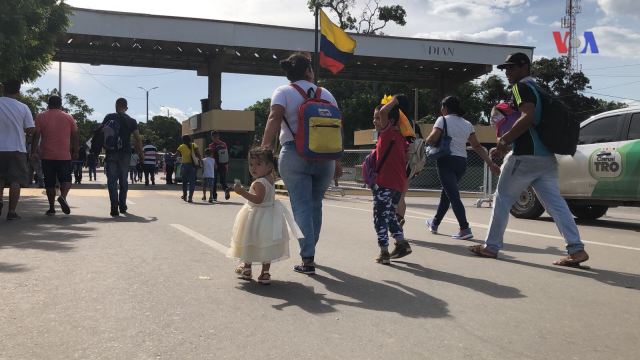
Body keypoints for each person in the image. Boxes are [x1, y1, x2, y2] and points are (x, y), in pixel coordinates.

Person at [468, 52, 590, 267]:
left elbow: (528, 117)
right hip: (547, 158)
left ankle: (491, 247)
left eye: (512, 68)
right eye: (505, 69)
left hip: (525, 156)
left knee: (502, 199)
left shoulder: (521, 88)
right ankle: (576, 249)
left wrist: (504, 140)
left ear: (525, 67)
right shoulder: (540, 89)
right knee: (556, 205)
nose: (507, 72)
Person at [261, 53, 342, 275]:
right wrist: (337, 160)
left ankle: (308, 258)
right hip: (325, 157)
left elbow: (274, 118)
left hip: (294, 154)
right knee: (316, 204)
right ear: (308, 71)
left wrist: (264, 150)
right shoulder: (326, 93)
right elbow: (336, 127)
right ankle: (310, 252)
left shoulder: (283, 92)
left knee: (301, 206)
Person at [424, 96, 500, 240]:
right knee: (447, 194)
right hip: (462, 162)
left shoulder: (442, 120)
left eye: (442, 107)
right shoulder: (467, 124)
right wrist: (490, 163)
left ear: (445, 108)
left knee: (453, 195)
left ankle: (464, 228)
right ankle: (434, 223)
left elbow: (432, 138)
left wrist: (424, 145)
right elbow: (477, 146)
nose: (441, 110)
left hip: (446, 161)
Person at [227, 147, 298, 285]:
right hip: (269, 216)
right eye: (251, 164)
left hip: (256, 216)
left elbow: (258, 199)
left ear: (269, 166)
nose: (253, 168)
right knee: (266, 244)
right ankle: (264, 273)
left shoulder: (259, 182)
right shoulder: (270, 178)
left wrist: (242, 192)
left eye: (258, 164)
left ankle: (247, 268)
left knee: (250, 240)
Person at [370, 95, 413, 264]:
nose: (375, 120)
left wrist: (394, 101)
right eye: (374, 117)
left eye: (377, 118)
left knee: (379, 217)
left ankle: (384, 252)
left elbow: (383, 111)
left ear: (391, 120)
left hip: (385, 184)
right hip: (397, 185)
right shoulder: (403, 138)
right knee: (390, 216)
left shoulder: (388, 132)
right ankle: (401, 243)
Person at [32, 95, 79, 216]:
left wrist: (33, 152)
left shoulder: (41, 116)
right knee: (67, 180)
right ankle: (63, 197)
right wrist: (75, 151)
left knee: (50, 183)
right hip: (64, 155)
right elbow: (75, 135)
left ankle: (51, 208)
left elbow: (36, 135)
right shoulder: (69, 117)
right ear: (60, 105)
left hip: (47, 155)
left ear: (48, 104)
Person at [0, 80, 35, 220]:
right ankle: (12, 212)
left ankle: (0, 201)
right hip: (16, 148)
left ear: (3, 89)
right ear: (18, 92)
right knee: (15, 181)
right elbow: (30, 129)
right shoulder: (23, 107)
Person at [103, 98, 143, 217]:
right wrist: (141, 153)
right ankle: (123, 205)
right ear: (126, 108)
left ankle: (114, 207)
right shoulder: (131, 121)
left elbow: (101, 132)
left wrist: (104, 147)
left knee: (112, 180)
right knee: (123, 180)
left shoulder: (109, 117)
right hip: (125, 153)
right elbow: (137, 138)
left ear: (116, 106)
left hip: (111, 152)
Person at [176, 135, 201, 203]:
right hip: (193, 165)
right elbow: (198, 154)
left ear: (183, 140)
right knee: (192, 182)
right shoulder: (194, 145)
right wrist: (200, 162)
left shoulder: (181, 146)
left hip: (185, 165)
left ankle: (184, 195)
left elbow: (176, 155)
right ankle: (190, 198)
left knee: (184, 182)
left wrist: (171, 155)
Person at [208, 130, 230, 201]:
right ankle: (226, 189)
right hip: (223, 164)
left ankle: (214, 196)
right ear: (218, 136)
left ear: (212, 137)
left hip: (215, 165)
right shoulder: (224, 144)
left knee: (214, 181)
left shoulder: (211, 145)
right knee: (222, 180)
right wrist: (226, 165)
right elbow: (226, 155)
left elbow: (211, 156)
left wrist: (214, 164)